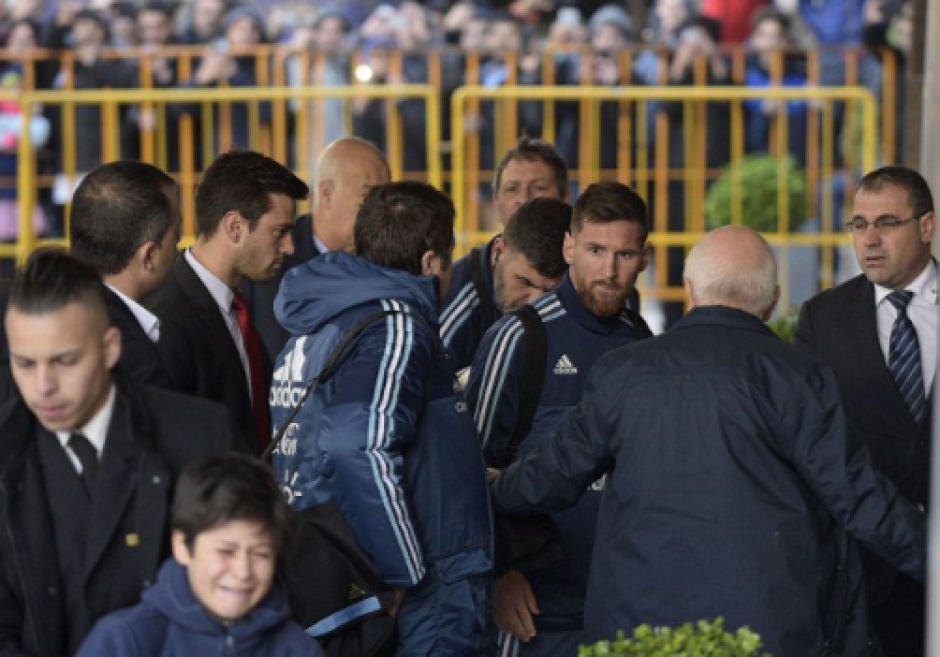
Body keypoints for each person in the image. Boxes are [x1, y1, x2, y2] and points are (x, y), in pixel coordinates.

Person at [489, 226, 926, 657]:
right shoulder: (799, 377)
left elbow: (550, 477)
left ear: (690, 291)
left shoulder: (622, 372)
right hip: (761, 635)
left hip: (637, 634)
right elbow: (861, 500)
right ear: (772, 302)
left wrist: (489, 489)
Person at [271, 181, 492, 655]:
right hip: (414, 592)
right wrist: (401, 570)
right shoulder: (396, 325)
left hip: (337, 572)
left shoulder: (324, 320)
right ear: (431, 262)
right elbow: (356, 442)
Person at [0, 249, 242, 657]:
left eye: (65, 362)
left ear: (111, 348)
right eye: (24, 364)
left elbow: (244, 590)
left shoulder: (200, 437)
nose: (43, 387)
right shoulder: (6, 449)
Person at [467, 181, 652, 657]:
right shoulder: (518, 338)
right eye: (595, 250)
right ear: (569, 248)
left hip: (621, 605)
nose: (609, 271)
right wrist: (499, 575)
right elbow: (467, 474)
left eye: (625, 255)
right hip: (534, 613)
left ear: (645, 258)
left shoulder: (645, 345)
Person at [796, 165, 935, 657]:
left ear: (926, 226)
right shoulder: (822, 319)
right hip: (867, 566)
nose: (870, 240)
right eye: (859, 225)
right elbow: (812, 446)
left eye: (887, 223)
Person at [75, 453, 326, 657]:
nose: (242, 571)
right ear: (182, 547)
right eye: (225, 551)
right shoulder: (125, 641)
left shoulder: (298, 649)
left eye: (260, 554)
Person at [147, 149, 308, 455]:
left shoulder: (239, 306)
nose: (289, 246)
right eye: (280, 232)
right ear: (235, 228)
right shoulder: (169, 320)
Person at [239, 137, 391, 360]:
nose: (382, 211)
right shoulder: (268, 262)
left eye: (386, 198)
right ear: (327, 193)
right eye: (368, 196)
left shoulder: (391, 266)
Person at [439, 136, 571, 370]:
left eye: (539, 188)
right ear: (496, 203)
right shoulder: (460, 293)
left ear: (565, 198)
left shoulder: (590, 274)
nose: (524, 199)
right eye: (512, 189)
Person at [69, 161, 181, 389]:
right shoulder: (136, 358)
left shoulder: (30, 312)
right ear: (149, 256)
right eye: (176, 235)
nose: (178, 247)